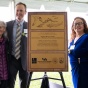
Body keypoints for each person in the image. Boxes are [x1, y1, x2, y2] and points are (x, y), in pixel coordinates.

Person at [6, 2, 32, 88]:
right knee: (10, 84)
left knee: (24, 84)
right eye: (17, 10)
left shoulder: (30, 26)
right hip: (11, 60)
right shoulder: (8, 25)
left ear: (25, 12)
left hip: (25, 60)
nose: (19, 12)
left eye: (21, 10)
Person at [68, 17, 88, 88]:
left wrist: (76, 52)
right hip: (74, 70)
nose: (78, 25)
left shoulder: (86, 37)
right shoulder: (72, 40)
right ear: (73, 27)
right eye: (76, 24)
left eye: (80, 23)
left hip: (84, 69)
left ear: (84, 25)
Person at [0, 21, 10, 88]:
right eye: (0, 27)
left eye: (3, 28)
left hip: (5, 72)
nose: (1, 29)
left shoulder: (6, 40)